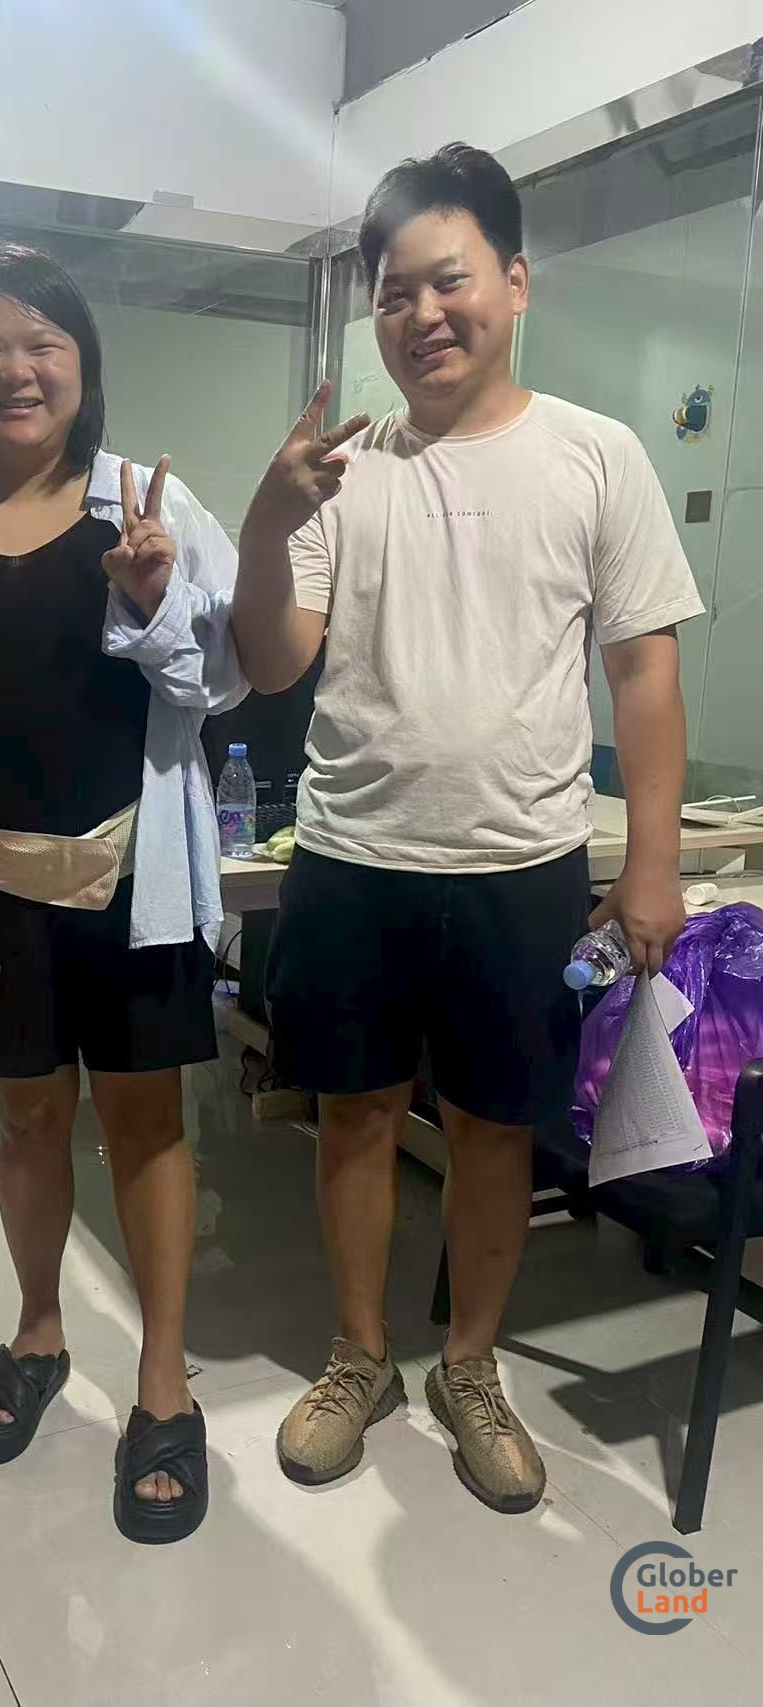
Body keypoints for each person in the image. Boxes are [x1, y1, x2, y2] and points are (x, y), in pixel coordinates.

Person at [233, 145, 704, 1513]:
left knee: (498, 1130)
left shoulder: (596, 456)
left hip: (522, 864)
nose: (422, 316)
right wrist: (267, 522)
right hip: (352, 855)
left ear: (515, 282)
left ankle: (471, 1367)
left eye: (449, 283)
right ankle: (357, 1359)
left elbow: (645, 672)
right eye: (394, 295)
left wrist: (654, 867)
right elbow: (272, 662)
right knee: (354, 1120)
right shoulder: (341, 472)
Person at [0, 243, 246, 1545]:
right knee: (27, 1125)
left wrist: (154, 597)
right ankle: (39, 1333)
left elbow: (226, 683)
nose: (16, 368)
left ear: (84, 368)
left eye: (44, 343)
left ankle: (163, 1383)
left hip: (130, 876)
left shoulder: (148, 503)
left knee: (147, 1126)